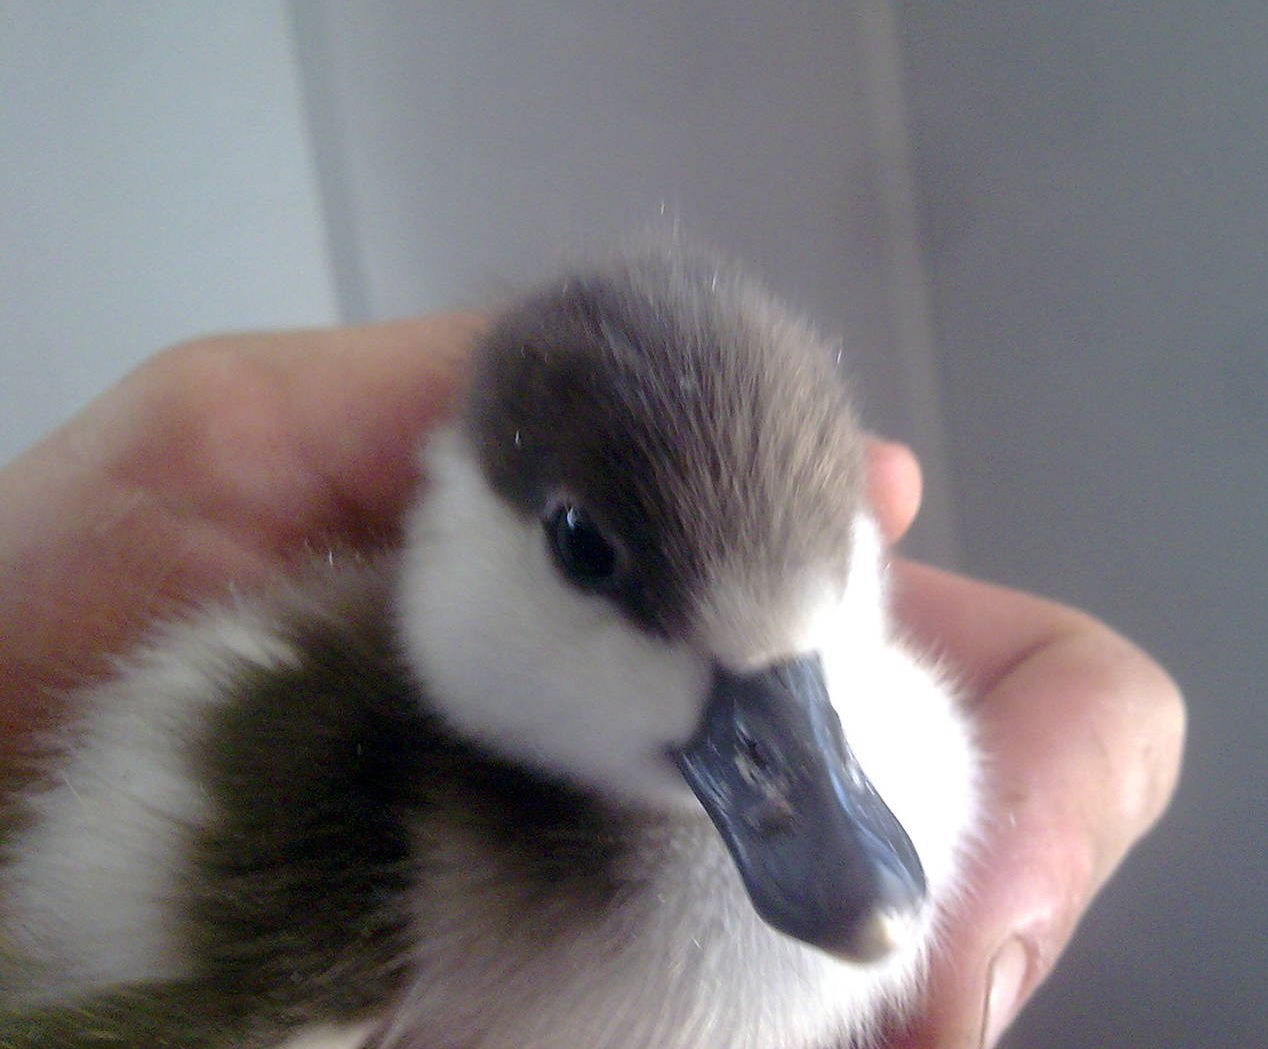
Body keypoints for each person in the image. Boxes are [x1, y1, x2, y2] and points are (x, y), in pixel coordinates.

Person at [0, 312, 1186, 1049]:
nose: (842, 839)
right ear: (462, 514)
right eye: (582, 551)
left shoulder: (892, 737)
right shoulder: (347, 833)